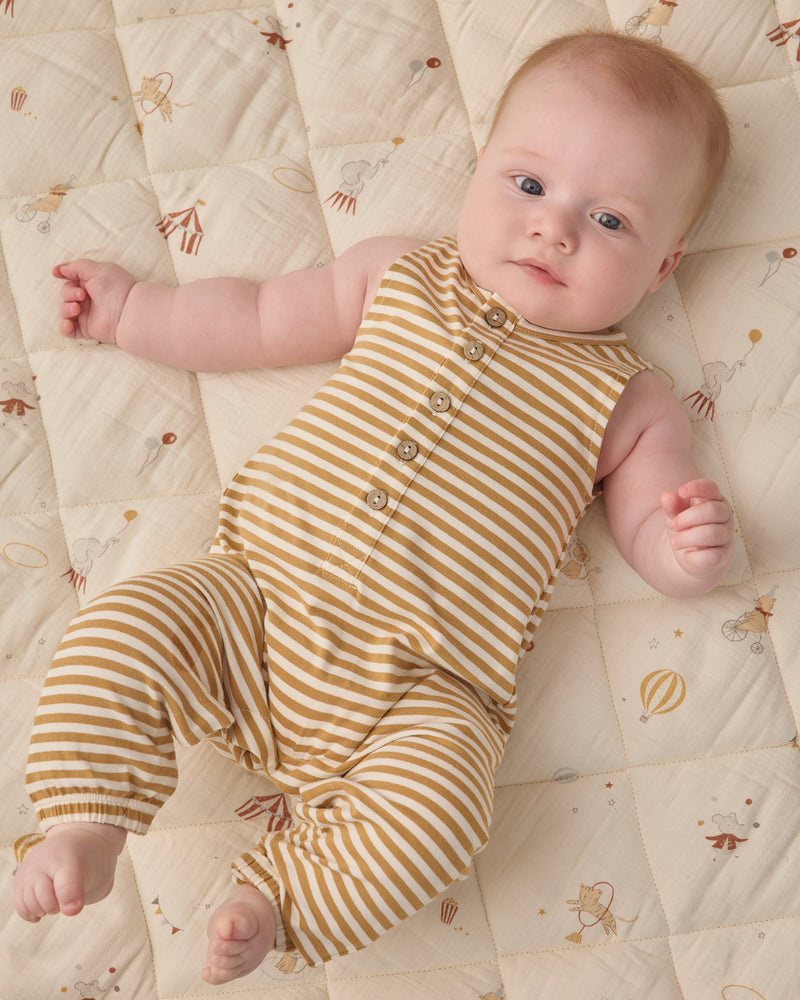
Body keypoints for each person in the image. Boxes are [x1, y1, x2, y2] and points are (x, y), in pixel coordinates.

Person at [13, 30, 734, 985]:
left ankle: (284, 899)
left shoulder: (629, 397)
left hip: (426, 689)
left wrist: (683, 549)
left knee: (444, 813)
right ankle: (87, 820)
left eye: (610, 222)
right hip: (254, 600)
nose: (554, 230)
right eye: (528, 185)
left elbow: (646, 521)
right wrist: (132, 313)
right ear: (480, 172)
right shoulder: (400, 274)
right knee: (126, 626)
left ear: (663, 268)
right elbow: (260, 319)